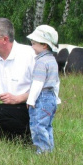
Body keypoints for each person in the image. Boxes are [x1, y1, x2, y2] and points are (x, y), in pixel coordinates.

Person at [26, 25, 61, 154]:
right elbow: (56, 82)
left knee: (37, 125)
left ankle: (42, 151)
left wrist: (30, 100)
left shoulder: (41, 62)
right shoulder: (52, 60)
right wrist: (56, 97)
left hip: (42, 97)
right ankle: (49, 149)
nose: (32, 46)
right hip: (51, 97)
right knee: (47, 125)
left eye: (34, 44)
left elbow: (38, 83)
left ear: (44, 45)